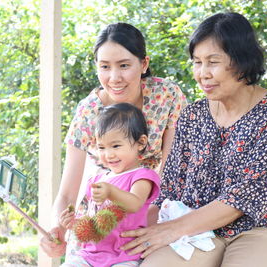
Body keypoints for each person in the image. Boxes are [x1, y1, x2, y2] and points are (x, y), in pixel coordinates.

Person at [120, 12, 267, 267]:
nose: (202, 73)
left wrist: (174, 229)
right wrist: (115, 229)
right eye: (197, 62)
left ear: (242, 60)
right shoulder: (192, 115)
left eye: (213, 62)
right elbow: (170, 190)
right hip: (194, 230)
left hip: (264, 227)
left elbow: (249, 193)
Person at [40, 22, 187, 258]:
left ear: (144, 64)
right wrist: (56, 226)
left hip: (151, 212)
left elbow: (171, 171)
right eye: (105, 67)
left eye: (124, 65)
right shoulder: (88, 111)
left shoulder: (167, 96)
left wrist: (151, 221)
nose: (114, 77)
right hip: (99, 223)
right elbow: (67, 193)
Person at [59, 103, 160, 267]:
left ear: (141, 143)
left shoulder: (142, 176)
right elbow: (96, 223)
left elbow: (135, 203)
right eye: (101, 147)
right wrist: (75, 223)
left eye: (116, 146)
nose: (108, 154)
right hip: (90, 255)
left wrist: (111, 191)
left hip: (125, 255)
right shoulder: (97, 180)